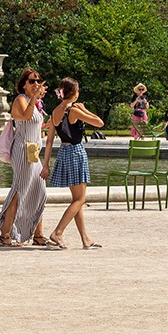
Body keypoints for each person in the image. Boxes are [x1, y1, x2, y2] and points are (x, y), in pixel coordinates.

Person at [43, 78, 105, 249]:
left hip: (63, 152)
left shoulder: (55, 112)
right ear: (74, 93)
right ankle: (58, 233)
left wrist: (46, 165)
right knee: (80, 199)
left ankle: (85, 239)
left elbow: (49, 142)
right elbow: (100, 123)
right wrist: (85, 109)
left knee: (77, 199)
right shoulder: (74, 110)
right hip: (76, 152)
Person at [0, 68, 49, 247]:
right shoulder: (20, 100)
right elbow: (25, 116)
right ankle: (6, 234)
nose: (36, 84)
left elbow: (37, 125)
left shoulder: (36, 103)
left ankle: (37, 234)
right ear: (23, 84)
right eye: (32, 81)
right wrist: (34, 98)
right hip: (22, 151)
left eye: (38, 81)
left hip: (33, 151)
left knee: (40, 191)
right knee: (19, 191)